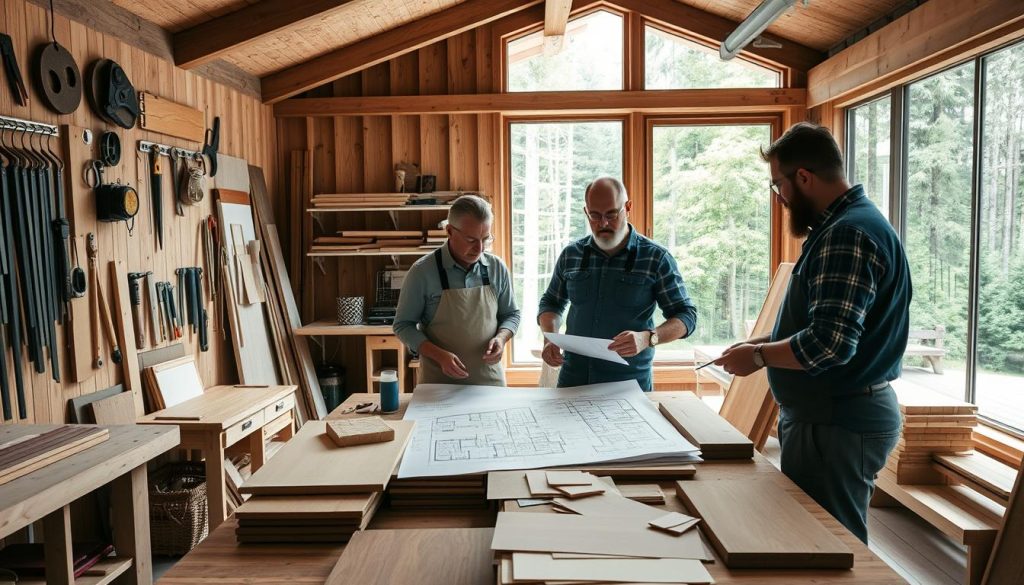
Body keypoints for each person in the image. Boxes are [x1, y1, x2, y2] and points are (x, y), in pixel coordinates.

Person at [714, 122, 912, 544]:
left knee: (831, 547)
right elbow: (825, 325)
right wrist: (762, 343)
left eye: (778, 185)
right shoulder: (849, 224)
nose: (781, 198)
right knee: (817, 540)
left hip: (836, 422)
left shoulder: (846, 235)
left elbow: (830, 344)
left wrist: (759, 358)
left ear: (803, 176)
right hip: (831, 418)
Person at [538, 177, 697, 391]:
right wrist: (550, 338)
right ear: (586, 212)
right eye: (594, 216)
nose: (603, 224)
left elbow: (686, 315)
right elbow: (551, 303)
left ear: (628, 207)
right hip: (573, 379)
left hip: (629, 383)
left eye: (611, 214)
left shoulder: (655, 258)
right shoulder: (571, 255)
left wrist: (648, 338)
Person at [393, 195, 520, 386]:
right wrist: (439, 355)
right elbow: (403, 325)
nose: (479, 248)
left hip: (490, 382)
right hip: (439, 383)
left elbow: (511, 314)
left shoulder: (497, 268)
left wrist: (501, 339)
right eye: (471, 239)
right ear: (450, 231)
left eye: (485, 239)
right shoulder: (422, 272)